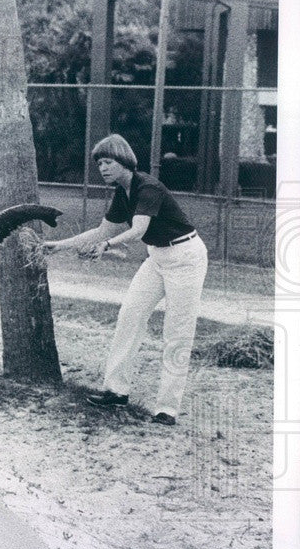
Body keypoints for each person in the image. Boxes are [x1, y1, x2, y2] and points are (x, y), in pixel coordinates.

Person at [42, 134, 208, 427]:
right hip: (157, 257)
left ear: (124, 162)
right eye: (100, 164)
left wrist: (108, 246)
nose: (103, 168)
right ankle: (116, 391)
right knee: (129, 316)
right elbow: (101, 231)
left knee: (177, 332)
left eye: (108, 162)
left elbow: (138, 229)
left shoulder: (148, 187)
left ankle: (167, 409)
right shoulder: (123, 192)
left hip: (185, 257)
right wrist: (60, 245)